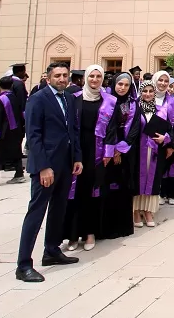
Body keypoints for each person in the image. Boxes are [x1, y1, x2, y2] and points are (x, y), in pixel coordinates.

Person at [15, 61, 82, 282]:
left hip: (65, 164)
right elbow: (33, 135)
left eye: (65, 75)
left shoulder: (69, 98)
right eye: (57, 76)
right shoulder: (37, 99)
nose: (62, 79)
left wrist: (77, 158)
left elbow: (74, 130)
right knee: (36, 213)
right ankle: (23, 264)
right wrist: (43, 166)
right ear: (48, 77)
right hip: (46, 166)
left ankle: (51, 250)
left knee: (58, 209)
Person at [62, 64, 109, 252]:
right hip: (76, 150)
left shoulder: (108, 101)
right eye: (92, 76)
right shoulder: (74, 99)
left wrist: (108, 151)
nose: (95, 80)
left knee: (92, 191)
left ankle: (90, 232)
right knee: (73, 192)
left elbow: (112, 129)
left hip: (96, 152)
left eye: (98, 77)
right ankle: (73, 235)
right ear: (85, 78)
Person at [100, 72, 139, 240]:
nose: (122, 88)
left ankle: (122, 227)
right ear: (114, 84)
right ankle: (107, 228)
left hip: (127, 150)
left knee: (124, 186)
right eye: (120, 84)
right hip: (107, 150)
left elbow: (136, 127)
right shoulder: (106, 102)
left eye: (126, 85)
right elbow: (107, 127)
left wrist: (121, 149)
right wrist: (113, 149)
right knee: (108, 187)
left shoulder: (133, 104)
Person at [132, 78, 174, 228]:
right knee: (138, 179)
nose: (148, 94)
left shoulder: (161, 110)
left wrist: (166, 138)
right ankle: (136, 211)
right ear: (140, 92)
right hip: (138, 151)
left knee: (152, 180)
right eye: (145, 91)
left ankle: (148, 211)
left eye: (151, 91)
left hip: (155, 151)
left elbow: (170, 129)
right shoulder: (135, 109)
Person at [0, 75, 26, 186]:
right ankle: (19, 175)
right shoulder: (15, 98)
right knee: (16, 152)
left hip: (3, 132)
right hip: (15, 130)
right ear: (12, 85)